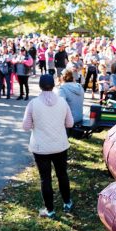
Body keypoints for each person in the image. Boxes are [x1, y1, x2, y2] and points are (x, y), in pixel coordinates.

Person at [22, 74, 74, 218]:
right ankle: (67, 202)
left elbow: (26, 127)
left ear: (40, 86)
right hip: (60, 145)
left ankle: (50, 210)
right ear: (53, 85)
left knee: (45, 178)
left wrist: (36, 123)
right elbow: (70, 123)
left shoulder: (33, 103)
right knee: (62, 174)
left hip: (40, 147)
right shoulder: (63, 102)